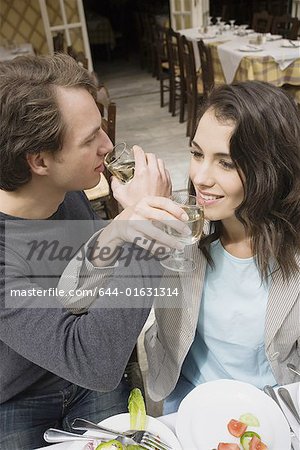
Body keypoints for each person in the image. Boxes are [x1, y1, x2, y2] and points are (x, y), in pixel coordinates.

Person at [0, 53, 189, 449]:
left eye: (101, 129)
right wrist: (146, 231)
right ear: (39, 161)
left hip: (88, 371)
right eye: (90, 140)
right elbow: (95, 361)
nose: (108, 145)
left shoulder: (63, 192)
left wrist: (121, 226)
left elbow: (85, 274)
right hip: (17, 395)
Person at [144, 81, 300, 412]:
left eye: (225, 163)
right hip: (186, 399)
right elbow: (75, 298)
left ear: (271, 168)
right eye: (197, 154)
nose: (200, 177)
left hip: (270, 408)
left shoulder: (293, 256)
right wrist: (123, 229)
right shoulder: (180, 233)